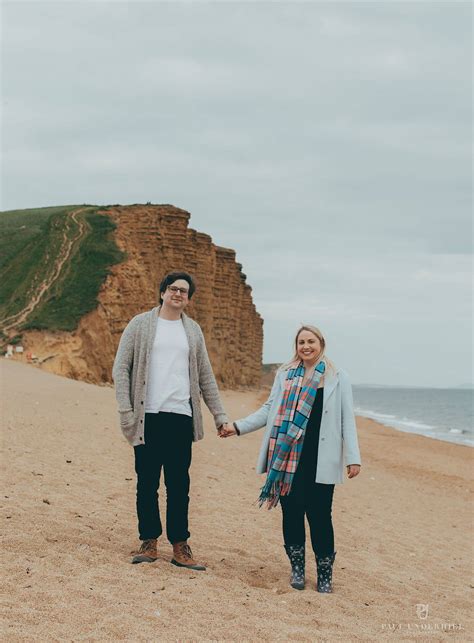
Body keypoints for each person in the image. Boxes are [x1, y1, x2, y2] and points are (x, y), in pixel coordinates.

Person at [220, 325, 361, 592]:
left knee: (320, 516)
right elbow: (268, 409)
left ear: (321, 343)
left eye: (311, 341)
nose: (306, 346)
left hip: (321, 458)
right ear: (296, 346)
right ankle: (297, 568)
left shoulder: (337, 377)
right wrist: (237, 427)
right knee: (292, 513)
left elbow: (347, 420)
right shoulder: (285, 374)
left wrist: (353, 457)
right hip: (286, 458)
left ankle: (324, 574)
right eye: (301, 342)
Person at [112, 271, 231, 571]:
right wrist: (126, 412)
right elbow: (120, 369)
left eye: (184, 291)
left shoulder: (192, 332)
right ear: (162, 292)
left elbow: (205, 377)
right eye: (173, 289)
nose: (178, 294)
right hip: (146, 416)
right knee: (147, 483)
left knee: (179, 485)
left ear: (189, 298)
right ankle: (149, 542)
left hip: (180, 417)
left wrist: (220, 415)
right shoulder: (140, 324)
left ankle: (180, 546)